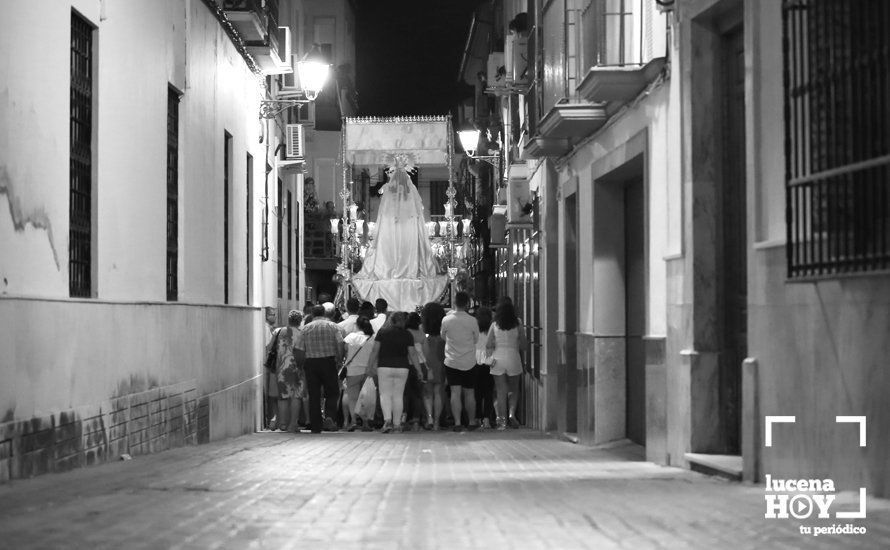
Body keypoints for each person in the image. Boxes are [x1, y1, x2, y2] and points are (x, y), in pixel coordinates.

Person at [352, 155, 446, 311]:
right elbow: (418, 210)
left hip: (391, 226)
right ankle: (408, 270)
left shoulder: (388, 189)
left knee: (389, 246)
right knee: (406, 246)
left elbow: (383, 214)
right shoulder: (410, 190)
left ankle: (389, 270)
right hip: (408, 225)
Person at [366, 311, 424, 433]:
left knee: (385, 395)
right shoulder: (407, 334)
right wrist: (419, 370)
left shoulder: (382, 333)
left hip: (384, 367)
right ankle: (397, 424)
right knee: (398, 395)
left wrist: (369, 366)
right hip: (403, 367)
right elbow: (412, 353)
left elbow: (375, 351)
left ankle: (387, 421)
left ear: (391, 321)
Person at [294, 304, 345, 433]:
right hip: (328, 362)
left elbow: (299, 349)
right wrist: (339, 359)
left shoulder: (305, 328)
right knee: (332, 392)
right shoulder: (333, 326)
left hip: (311, 364)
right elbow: (340, 344)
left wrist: (300, 366)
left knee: (314, 394)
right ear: (324, 313)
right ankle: (329, 417)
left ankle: (316, 426)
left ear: (312, 314)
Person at [441, 291, 480, 431]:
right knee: (470, 392)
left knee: (455, 392)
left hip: (452, 361)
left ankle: (457, 423)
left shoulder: (447, 320)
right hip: (469, 360)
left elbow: (443, 336)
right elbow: (476, 339)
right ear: (467, 304)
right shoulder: (472, 320)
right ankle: (471, 422)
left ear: (454, 303)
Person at [487, 300, 527, 429]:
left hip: (497, 359)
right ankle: (511, 414)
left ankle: (502, 421)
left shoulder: (494, 325)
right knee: (514, 389)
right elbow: (524, 344)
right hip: (513, 357)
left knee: (500, 391)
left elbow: (488, 344)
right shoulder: (518, 323)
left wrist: (489, 358)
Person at [268, 310, 307, 433]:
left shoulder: (279, 332)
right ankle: (293, 425)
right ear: (300, 321)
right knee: (296, 396)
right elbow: (302, 352)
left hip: (281, 367)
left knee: (283, 396)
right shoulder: (301, 334)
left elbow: (270, 348)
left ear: (288, 320)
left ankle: (283, 424)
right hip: (296, 367)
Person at [341, 316, 375, 431]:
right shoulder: (372, 338)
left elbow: (344, 350)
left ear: (357, 325)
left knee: (353, 398)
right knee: (365, 398)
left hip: (353, 371)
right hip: (367, 371)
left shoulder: (350, 337)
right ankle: (365, 422)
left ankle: (354, 421)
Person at [421, 302, 447, 430]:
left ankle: (429, 417)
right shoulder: (444, 333)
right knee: (438, 392)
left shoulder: (423, 332)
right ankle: (437, 422)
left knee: (427, 393)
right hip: (441, 362)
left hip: (427, 362)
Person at [403, 312, 428, 430]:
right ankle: (417, 420)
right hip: (421, 365)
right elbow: (426, 352)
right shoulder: (422, 334)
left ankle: (403, 417)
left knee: (405, 394)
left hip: (406, 365)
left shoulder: (405, 333)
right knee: (418, 394)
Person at [473, 306, 496, 429]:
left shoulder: (474, 328)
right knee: (488, 392)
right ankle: (487, 419)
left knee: (476, 392)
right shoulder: (492, 328)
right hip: (489, 360)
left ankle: (476, 418)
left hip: (475, 361)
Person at [263, 307, 280, 429]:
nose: (274, 317)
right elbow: (268, 347)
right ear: (266, 315)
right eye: (271, 314)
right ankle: (274, 418)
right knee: (275, 395)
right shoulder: (266, 329)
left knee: (274, 395)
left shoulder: (271, 329)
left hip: (273, 367)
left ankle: (274, 419)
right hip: (273, 367)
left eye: (274, 314)